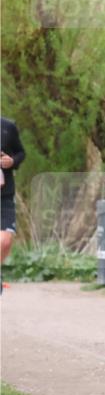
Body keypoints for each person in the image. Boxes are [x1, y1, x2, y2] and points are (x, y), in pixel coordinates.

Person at [1, 116, 26, 289]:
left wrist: (12, 161)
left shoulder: (8, 127)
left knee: (6, 240)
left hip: (4, 193)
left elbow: (21, 153)